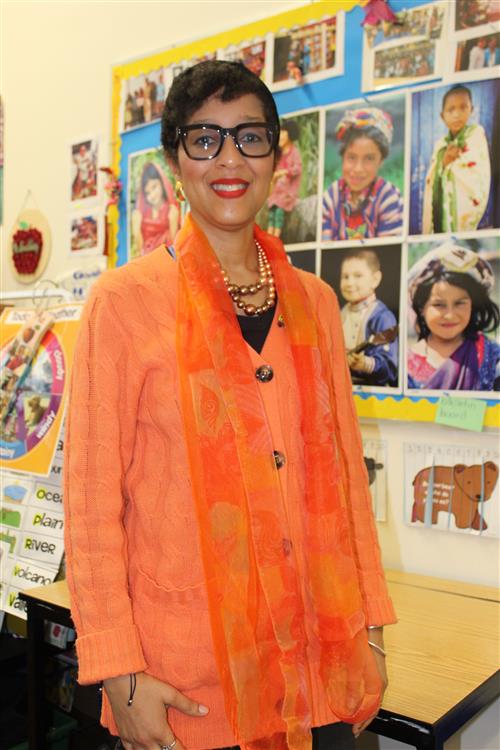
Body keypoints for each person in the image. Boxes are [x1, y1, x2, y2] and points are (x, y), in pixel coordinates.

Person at [64, 60, 396, 750]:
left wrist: (371, 633)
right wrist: (119, 676)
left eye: (249, 138)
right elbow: (92, 504)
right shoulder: (123, 305)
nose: (228, 159)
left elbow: (344, 481)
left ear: (278, 157)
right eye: (204, 139)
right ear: (173, 159)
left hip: (320, 665)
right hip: (184, 683)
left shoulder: (317, 303)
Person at [407, 242, 500, 391]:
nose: (449, 315)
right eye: (439, 305)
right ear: (421, 308)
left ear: (473, 305)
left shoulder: (491, 354)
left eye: (459, 303)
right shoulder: (406, 364)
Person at [322, 107, 403, 241]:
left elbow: (390, 251)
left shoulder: (388, 198)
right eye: (351, 157)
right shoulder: (331, 197)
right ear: (343, 157)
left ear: (381, 161)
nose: (358, 169)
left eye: (369, 158)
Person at [422, 85, 491, 234]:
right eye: (451, 109)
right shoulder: (440, 145)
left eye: (463, 107)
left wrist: (451, 164)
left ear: (471, 110)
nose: (457, 114)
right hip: (441, 210)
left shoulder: (476, 134)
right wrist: (444, 163)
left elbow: (477, 170)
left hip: (462, 211)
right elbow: (433, 178)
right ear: (442, 116)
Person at [339, 250, 398, 387]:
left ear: (375, 279)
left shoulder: (382, 317)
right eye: (345, 277)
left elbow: (390, 368)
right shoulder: (340, 313)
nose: (349, 283)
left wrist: (364, 364)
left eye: (358, 276)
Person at [131, 161, 180, 256]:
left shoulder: (172, 211)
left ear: (162, 183)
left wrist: (173, 223)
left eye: (154, 187)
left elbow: (175, 250)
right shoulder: (144, 216)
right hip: (148, 266)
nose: (152, 195)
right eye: (148, 193)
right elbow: (141, 252)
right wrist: (136, 231)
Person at [267, 119, 302, 238]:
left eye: (283, 133)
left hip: (287, 193)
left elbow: (297, 169)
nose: (280, 136)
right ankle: (269, 236)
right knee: (271, 213)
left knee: (278, 213)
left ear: (290, 134)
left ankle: (275, 237)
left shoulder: (294, 152)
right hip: (277, 192)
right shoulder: (280, 154)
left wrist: (284, 172)